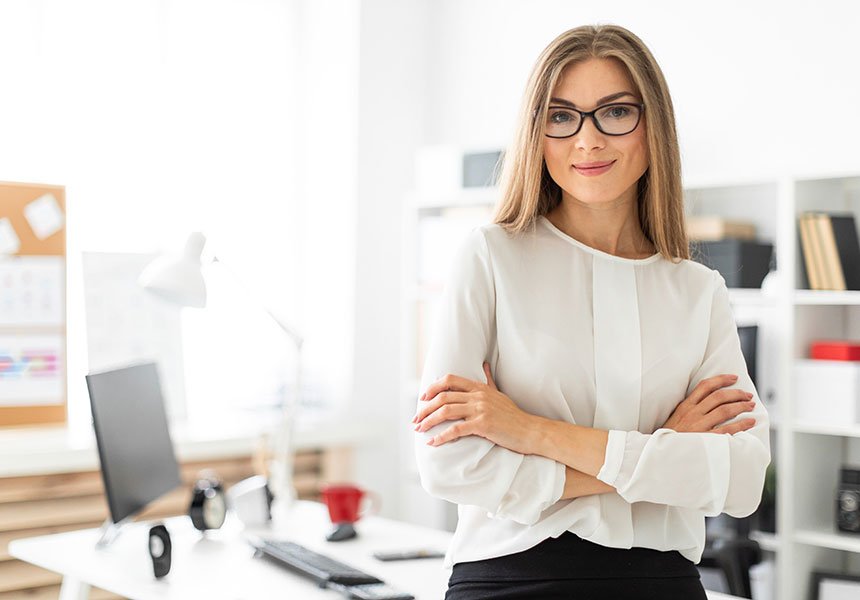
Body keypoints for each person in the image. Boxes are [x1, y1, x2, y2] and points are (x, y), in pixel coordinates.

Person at [411, 24, 771, 600]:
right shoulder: (491, 257)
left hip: (663, 583)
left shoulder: (698, 291)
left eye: (615, 112)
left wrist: (529, 431)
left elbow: (742, 478)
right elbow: (450, 466)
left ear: (653, 125)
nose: (588, 140)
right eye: (561, 116)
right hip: (510, 578)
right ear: (538, 133)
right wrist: (658, 447)